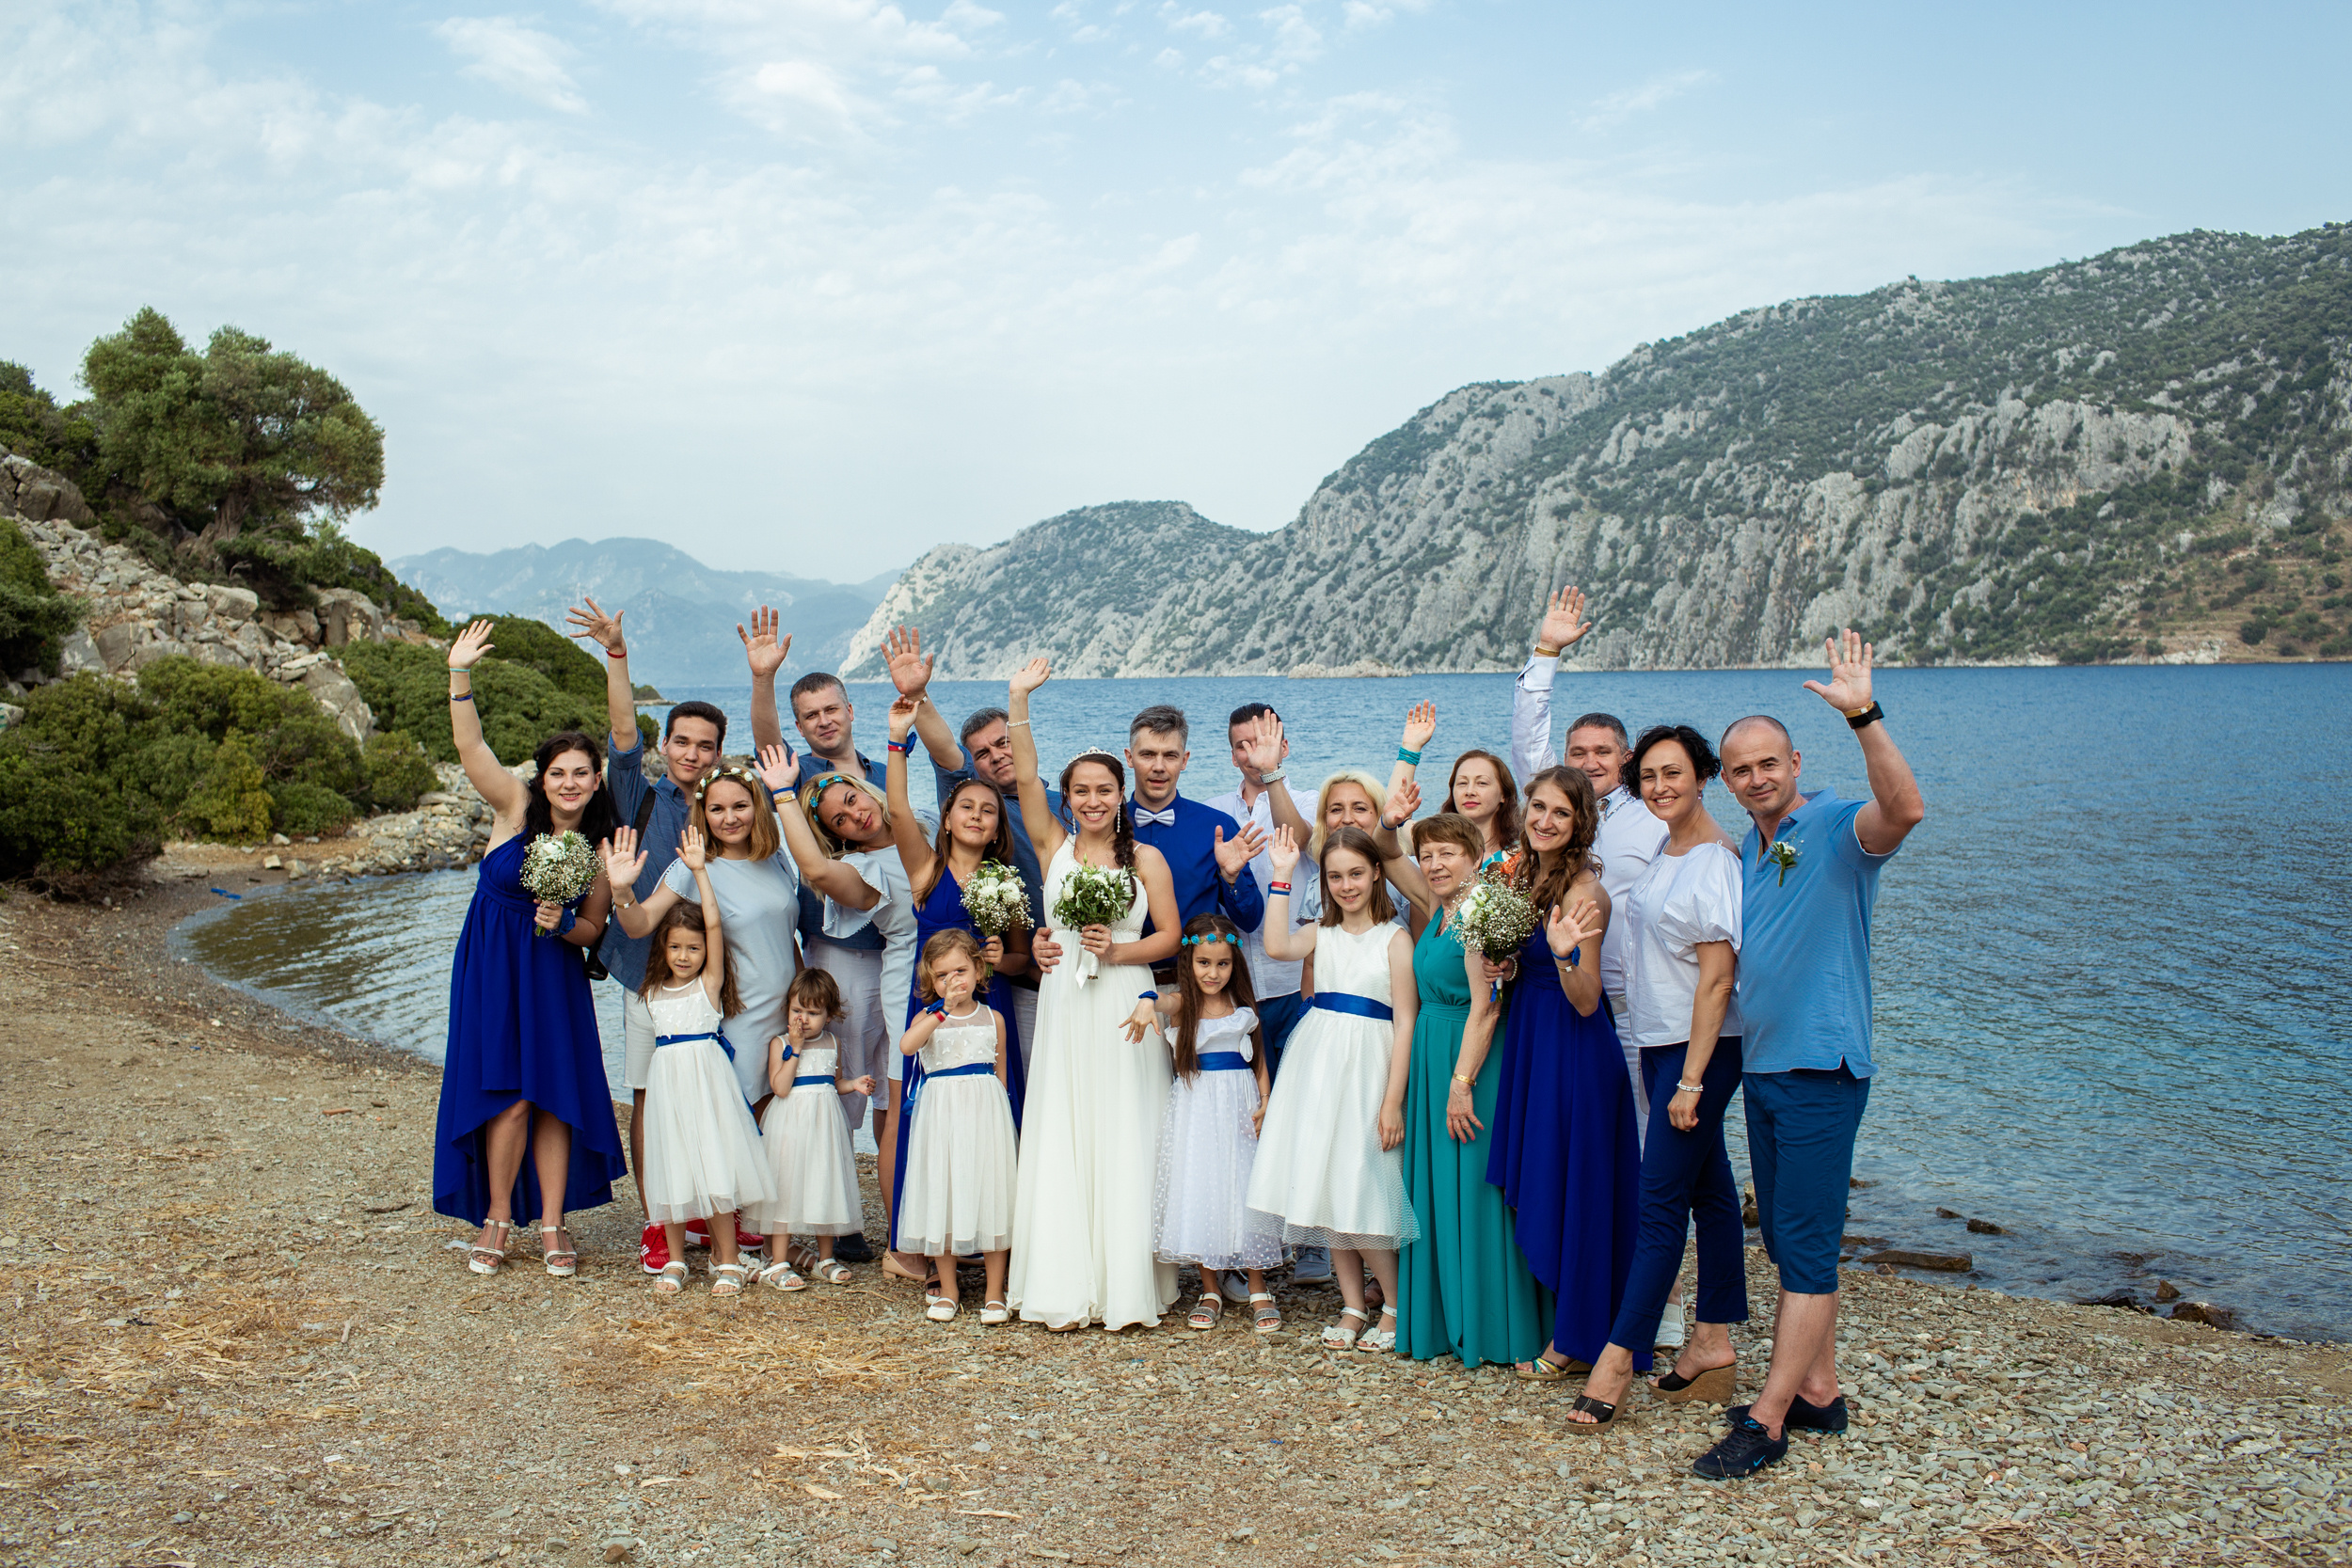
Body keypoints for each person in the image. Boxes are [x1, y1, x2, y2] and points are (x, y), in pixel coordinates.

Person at [1691, 632, 1924, 1481]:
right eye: (1740, 769)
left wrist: (1864, 715)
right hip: (1766, 1068)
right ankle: (1820, 1390)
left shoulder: (1831, 824)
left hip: (1823, 1068)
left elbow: (1905, 810)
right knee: (1789, 1246)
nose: (1756, 777)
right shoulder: (1758, 845)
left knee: (1809, 1249)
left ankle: (1770, 1416)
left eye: (1768, 763)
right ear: (1729, 779)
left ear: (1795, 762)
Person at [1509, 584, 1686, 1347]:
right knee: (1571, 1166)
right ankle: (1577, 1305)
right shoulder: (1537, 846)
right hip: (1550, 1013)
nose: (1588, 763)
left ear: (1626, 760)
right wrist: (1546, 652)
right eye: (1576, 753)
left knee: (1635, 1167)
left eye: (1601, 754)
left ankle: (1654, 1303)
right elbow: (1528, 740)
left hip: (1628, 1012)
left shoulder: (1655, 821)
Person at [1565, 724, 1747, 1436]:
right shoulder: (1668, 850)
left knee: (1659, 1202)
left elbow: (1719, 979)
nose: (1660, 786)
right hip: (1658, 1040)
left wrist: (1692, 1080)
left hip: (1699, 1052)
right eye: (1649, 776)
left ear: (1704, 776)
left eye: (1674, 773)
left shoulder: (1714, 861)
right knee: (1712, 1189)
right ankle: (1713, 1340)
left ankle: (1616, 1360)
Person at [432, 620, 628, 1279]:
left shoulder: (600, 848)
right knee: (508, 1095)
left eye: (581, 773)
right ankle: (496, 1217)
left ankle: (551, 1222)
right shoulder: (514, 808)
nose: (569, 783)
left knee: (551, 1095)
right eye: (558, 772)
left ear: (596, 781)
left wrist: (562, 920)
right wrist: (460, 674)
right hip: (491, 964)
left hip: (550, 971)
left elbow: (593, 930)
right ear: (542, 779)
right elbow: (471, 747)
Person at [1001, 656, 1184, 1331]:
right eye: (1081, 790)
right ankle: (1065, 1275)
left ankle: (1128, 1279)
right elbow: (1024, 776)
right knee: (1066, 1121)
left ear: (1122, 791)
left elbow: (1171, 937)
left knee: (1126, 1125)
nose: (1093, 800)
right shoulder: (1053, 846)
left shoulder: (1147, 859)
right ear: (1068, 797)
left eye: (1104, 789)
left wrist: (1118, 950)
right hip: (1066, 1001)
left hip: (1124, 1001)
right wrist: (1019, 701)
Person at [564, 595, 733, 1277]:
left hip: (713, 976)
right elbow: (621, 730)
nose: (692, 754)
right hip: (642, 969)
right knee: (648, 1095)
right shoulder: (638, 793)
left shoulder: (729, 809)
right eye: (682, 741)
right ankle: (658, 1220)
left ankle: (717, 1212)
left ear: (719, 753)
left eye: (705, 745)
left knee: (715, 1092)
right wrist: (617, 653)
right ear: (667, 746)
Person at [1484, 766, 1639, 1382]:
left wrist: (1564, 955)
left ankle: (1576, 1338)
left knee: (1577, 1188)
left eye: (1561, 813)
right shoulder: (1523, 873)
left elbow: (1587, 997)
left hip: (1574, 1050)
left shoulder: (1583, 893)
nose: (1545, 821)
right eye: (1539, 807)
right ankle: (1565, 1322)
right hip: (1533, 1036)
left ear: (1581, 823)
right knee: (1550, 1175)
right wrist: (1509, 967)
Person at [1384, 812, 1549, 1370]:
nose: (1434, 864)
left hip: (1468, 1061)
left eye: (1447, 853)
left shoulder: (1481, 911)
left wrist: (1461, 1085)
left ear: (1476, 857)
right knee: (1438, 1185)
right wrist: (1393, 809)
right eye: (1427, 854)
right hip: (1433, 1053)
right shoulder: (1442, 907)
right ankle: (1445, 1316)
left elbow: (1488, 1007)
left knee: (1475, 1188)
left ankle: (1492, 1325)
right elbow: (1386, 850)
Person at [1247, 825, 1419, 1351]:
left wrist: (1393, 1100)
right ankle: (1352, 1304)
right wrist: (1280, 876)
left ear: (1377, 874)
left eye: (1357, 874)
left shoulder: (1394, 939)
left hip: (1368, 1068)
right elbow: (1276, 945)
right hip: (1318, 1068)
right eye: (1336, 877)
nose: (1347, 886)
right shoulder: (1321, 933)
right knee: (1327, 1187)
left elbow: (1406, 1022)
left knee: (1359, 1184)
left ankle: (1395, 1305)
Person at [879, 626, 1065, 1061]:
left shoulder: (1062, 810)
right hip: (959, 995)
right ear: (948, 817)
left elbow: (1014, 954)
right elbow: (901, 809)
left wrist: (1001, 958)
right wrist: (912, 709)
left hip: (1044, 973)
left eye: (1004, 743)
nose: (997, 755)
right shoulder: (933, 860)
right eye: (982, 754)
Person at [768, 743, 919, 1266]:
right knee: (889, 1103)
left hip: (957, 976)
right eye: (840, 820)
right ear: (839, 836)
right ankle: (891, 1236)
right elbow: (814, 868)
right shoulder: (860, 868)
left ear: (865, 790)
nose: (856, 815)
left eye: (853, 800)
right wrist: (783, 794)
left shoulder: (919, 824)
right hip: (903, 983)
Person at [600, 765, 801, 1113]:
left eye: (740, 806)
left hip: (786, 1012)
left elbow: (783, 934)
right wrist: (621, 891)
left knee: (782, 1119)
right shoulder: (693, 867)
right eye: (717, 809)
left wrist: (804, 996)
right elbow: (639, 924)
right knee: (740, 1115)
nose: (730, 818)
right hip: (739, 1015)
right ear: (703, 814)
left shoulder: (775, 858)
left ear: (757, 806)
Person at [631, 829, 778, 1297]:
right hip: (669, 1087)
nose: (684, 956)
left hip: (708, 1085)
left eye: (693, 948)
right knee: (673, 1167)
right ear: (663, 948)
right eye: (675, 947)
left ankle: (727, 1259)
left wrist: (699, 872)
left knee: (715, 1168)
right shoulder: (652, 992)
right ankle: (676, 1260)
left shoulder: (708, 986)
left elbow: (714, 924)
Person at [1123, 915, 1283, 1335]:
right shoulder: (1184, 1004)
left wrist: (1266, 1100)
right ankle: (1210, 1288)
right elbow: (1162, 1002)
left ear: (1234, 964)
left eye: (1222, 964)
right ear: (1189, 962)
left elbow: (1257, 1058)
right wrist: (1147, 999)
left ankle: (1257, 1285)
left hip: (1240, 1104)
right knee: (1202, 1187)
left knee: (1244, 1187)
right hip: (1197, 1108)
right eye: (1204, 963)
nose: (1213, 973)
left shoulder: (1242, 1005)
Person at [897, 930, 1020, 1326]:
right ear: (930, 981)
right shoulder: (928, 1018)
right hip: (941, 1117)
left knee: (991, 1193)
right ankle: (948, 1288)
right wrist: (942, 1011)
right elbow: (907, 1047)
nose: (953, 981)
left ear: (978, 970)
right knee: (944, 1193)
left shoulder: (993, 1018)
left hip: (985, 1115)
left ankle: (994, 1291)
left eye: (960, 971)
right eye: (942, 975)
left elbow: (1000, 1075)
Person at [746, 970, 872, 1290]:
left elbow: (833, 1082)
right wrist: (796, 1048)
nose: (802, 1019)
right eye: (797, 1010)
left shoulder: (833, 1042)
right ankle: (778, 1261)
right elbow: (780, 1088)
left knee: (823, 1183)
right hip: (790, 1125)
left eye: (813, 1013)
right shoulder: (780, 1044)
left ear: (829, 1015)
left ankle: (825, 1258)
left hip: (824, 1127)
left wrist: (854, 1084)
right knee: (786, 1187)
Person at [1123, 704, 1267, 973]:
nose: (1158, 767)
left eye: (1170, 756)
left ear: (1185, 760)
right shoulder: (1108, 826)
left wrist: (1232, 878)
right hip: (1120, 977)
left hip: (1196, 982)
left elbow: (1250, 921)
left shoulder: (1217, 828)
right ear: (1129, 758)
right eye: (1148, 755)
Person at [1439, 750, 1519, 865]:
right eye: (1462, 783)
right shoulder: (1435, 849)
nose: (1469, 791)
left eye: (1482, 783)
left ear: (1503, 795)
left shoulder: (1523, 856)